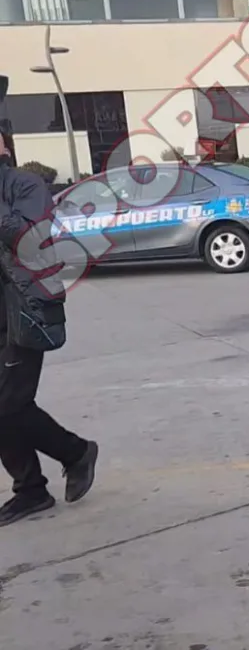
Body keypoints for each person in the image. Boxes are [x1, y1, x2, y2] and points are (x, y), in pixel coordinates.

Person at [0, 153, 98, 527]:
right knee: (8, 407)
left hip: (23, 313)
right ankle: (31, 490)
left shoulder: (24, 186)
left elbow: (29, 238)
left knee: (8, 404)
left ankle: (75, 453)